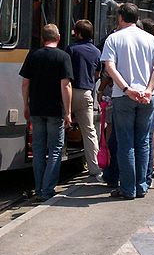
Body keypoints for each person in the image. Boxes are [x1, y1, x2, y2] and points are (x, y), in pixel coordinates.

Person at [100, 3, 154, 200]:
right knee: (143, 140)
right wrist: (148, 90)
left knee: (125, 142)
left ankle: (128, 188)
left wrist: (127, 89)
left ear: (120, 17)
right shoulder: (150, 39)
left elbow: (110, 67)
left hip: (123, 97)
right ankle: (142, 185)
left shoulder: (114, 38)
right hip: (147, 97)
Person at [20, 24, 73, 202]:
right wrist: (68, 112)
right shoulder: (63, 57)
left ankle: (39, 188)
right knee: (55, 149)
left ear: (43, 38)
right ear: (58, 38)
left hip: (36, 108)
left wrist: (25, 105)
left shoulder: (33, 55)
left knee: (38, 150)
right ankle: (48, 189)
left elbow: (25, 83)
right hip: (55, 110)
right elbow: (65, 86)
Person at [65, 19, 102, 180]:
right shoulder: (96, 52)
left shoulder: (71, 49)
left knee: (62, 126)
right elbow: (98, 74)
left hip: (70, 92)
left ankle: (57, 158)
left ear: (78, 34)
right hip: (86, 93)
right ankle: (94, 168)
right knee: (89, 132)